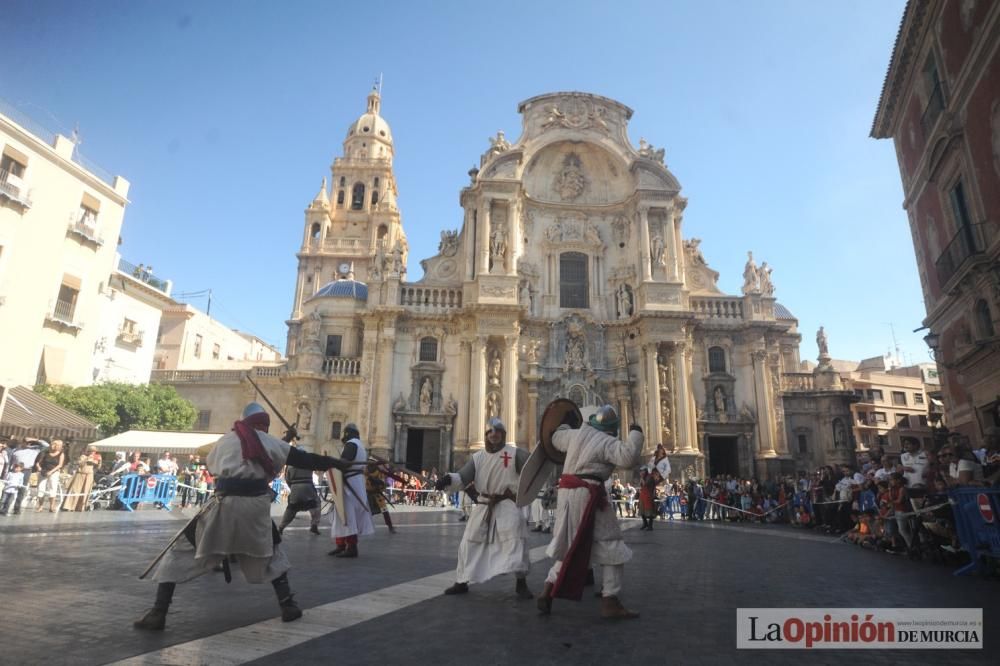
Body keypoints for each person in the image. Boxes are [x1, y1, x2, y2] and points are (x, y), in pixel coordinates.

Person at [133, 402, 350, 631]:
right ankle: (288, 605)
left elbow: (223, 461)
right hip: (255, 507)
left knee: (179, 550)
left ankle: (159, 611)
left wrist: (284, 441)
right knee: (273, 551)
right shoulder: (269, 442)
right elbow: (301, 459)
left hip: (223, 505)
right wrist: (337, 463)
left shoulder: (226, 440)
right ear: (263, 425)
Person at [537, 405, 644, 619]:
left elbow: (556, 437)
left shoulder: (575, 435)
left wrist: (566, 421)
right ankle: (610, 600)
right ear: (612, 429)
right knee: (612, 544)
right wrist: (636, 434)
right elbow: (628, 457)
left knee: (570, 544)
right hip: (589, 496)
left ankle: (548, 590)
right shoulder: (606, 441)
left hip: (567, 495)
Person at [435, 418, 532, 599]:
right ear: (486, 435)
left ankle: (521, 583)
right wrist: (448, 479)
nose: (493, 435)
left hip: (507, 505)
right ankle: (461, 581)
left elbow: (534, 468)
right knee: (468, 543)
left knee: (515, 541)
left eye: (497, 431)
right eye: (490, 432)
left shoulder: (514, 454)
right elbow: (463, 477)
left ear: (503, 434)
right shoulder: (478, 458)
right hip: (484, 505)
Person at [328, 423, 374, 558]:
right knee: (342, 514)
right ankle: (340, 544)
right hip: (353, 481)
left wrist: (330, 462)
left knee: (347, 515)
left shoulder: (351, 444)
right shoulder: (360, 445)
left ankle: (351, 547)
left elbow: (344, 461)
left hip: (350, 483)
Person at [278, 450, 323, 535]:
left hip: (295, 488)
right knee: (316, 504)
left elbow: (287, 479)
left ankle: (281, 527)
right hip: (308, 487)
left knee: (291, 509)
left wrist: (293, 487)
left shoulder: (290, 465)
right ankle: (314, 525)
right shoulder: (309, 463)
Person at [63, 445, 101, 512]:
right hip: (80, 475)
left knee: (85, 491)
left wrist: (99, 462)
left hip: (89, 476)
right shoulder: (83, 456)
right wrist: (87, 459)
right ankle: (69, 506)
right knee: (75, 490)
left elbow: (98, 468)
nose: (92, 452)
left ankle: (80, 507)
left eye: (94, 451)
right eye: (91, 451)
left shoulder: (95, 458)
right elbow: (79, 464)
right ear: (88, 451)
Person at [34, 439, 66, 512]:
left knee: (52, 488)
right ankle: (40, 506)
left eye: (58, 446)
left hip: (54, 472)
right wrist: (38, 467)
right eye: (54, 445)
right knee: (41, 488)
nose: (55, 447)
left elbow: (60, 465)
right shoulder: (45, 452)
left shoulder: (61, 454)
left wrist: (51, 472)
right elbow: (38, 462)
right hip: (44, 471)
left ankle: (52, 506)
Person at [365, 463, 396, 533]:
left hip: (378, 496)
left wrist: (381, 485)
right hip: (369, 496)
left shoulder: (379, 473)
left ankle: (390, 526)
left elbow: (382, 484)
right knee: (368, 512)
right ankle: (362, 526)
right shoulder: (366, 474)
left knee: (385, 511)